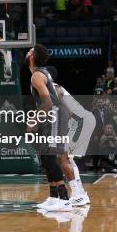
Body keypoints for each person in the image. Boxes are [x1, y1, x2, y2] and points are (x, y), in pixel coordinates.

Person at [25, 45, 73, 212]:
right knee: (46, 156)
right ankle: (54, 197)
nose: (27, 52)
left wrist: (34, 120)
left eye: (29, 51)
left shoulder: (37, 75)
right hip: (52, 116)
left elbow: (48, 102)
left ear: (32, 57)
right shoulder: (40, 72)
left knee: (50, 156)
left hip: (55, 116)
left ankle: (64, 199)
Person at [45, 66, 91, 206]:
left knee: (64, 158)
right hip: (75, 121)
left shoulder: (54, 88)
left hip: (76, 122)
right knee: (65, 159)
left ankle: (79, 194)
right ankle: (80, 193)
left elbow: (66, 111)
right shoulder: (55, 87)